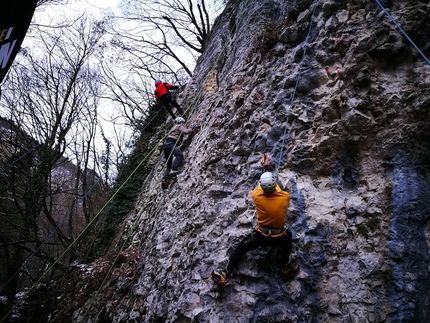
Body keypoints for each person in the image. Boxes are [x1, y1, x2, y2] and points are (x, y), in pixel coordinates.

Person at [211, 171, 299, 286]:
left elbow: (259, 186)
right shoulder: (285, 197)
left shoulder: (256, 196)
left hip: (260, 236)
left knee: (241, 248)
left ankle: (225, 273)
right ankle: (286, 266)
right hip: (279, 238)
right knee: (288, 235)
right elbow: (277, 188)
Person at [161, 117, 196, 188]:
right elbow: (186, 132)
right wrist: (192, 128)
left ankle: (165, 179)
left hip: (166, 146)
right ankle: (173, 169)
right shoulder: (179, 126)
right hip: (171, 144)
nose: (184, 124)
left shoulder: (173, 128)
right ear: (181, 122)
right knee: (179, 155)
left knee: (168, 164)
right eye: (183, 122)